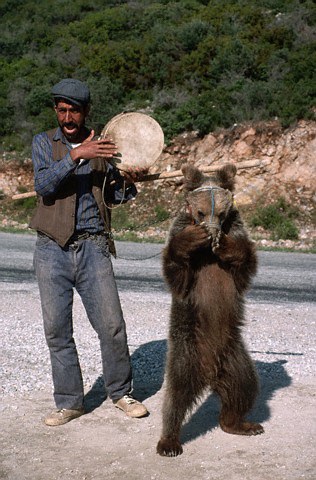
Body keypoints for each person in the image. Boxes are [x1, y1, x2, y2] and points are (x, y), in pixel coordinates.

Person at [29, 78, 148, 426]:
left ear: (85, 112)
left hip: (94, 245)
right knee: (57, 330)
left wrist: (129, 182)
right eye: (62, 109)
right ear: (56, 110)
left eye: (74, 111)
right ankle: (70, 403)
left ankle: (121, 393)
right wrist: (76, 155)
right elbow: (44, 184)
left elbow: (114, 197)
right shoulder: (42, 143)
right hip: (51, 248)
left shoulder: (106, 146)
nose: (68, 117)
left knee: (112, 326)